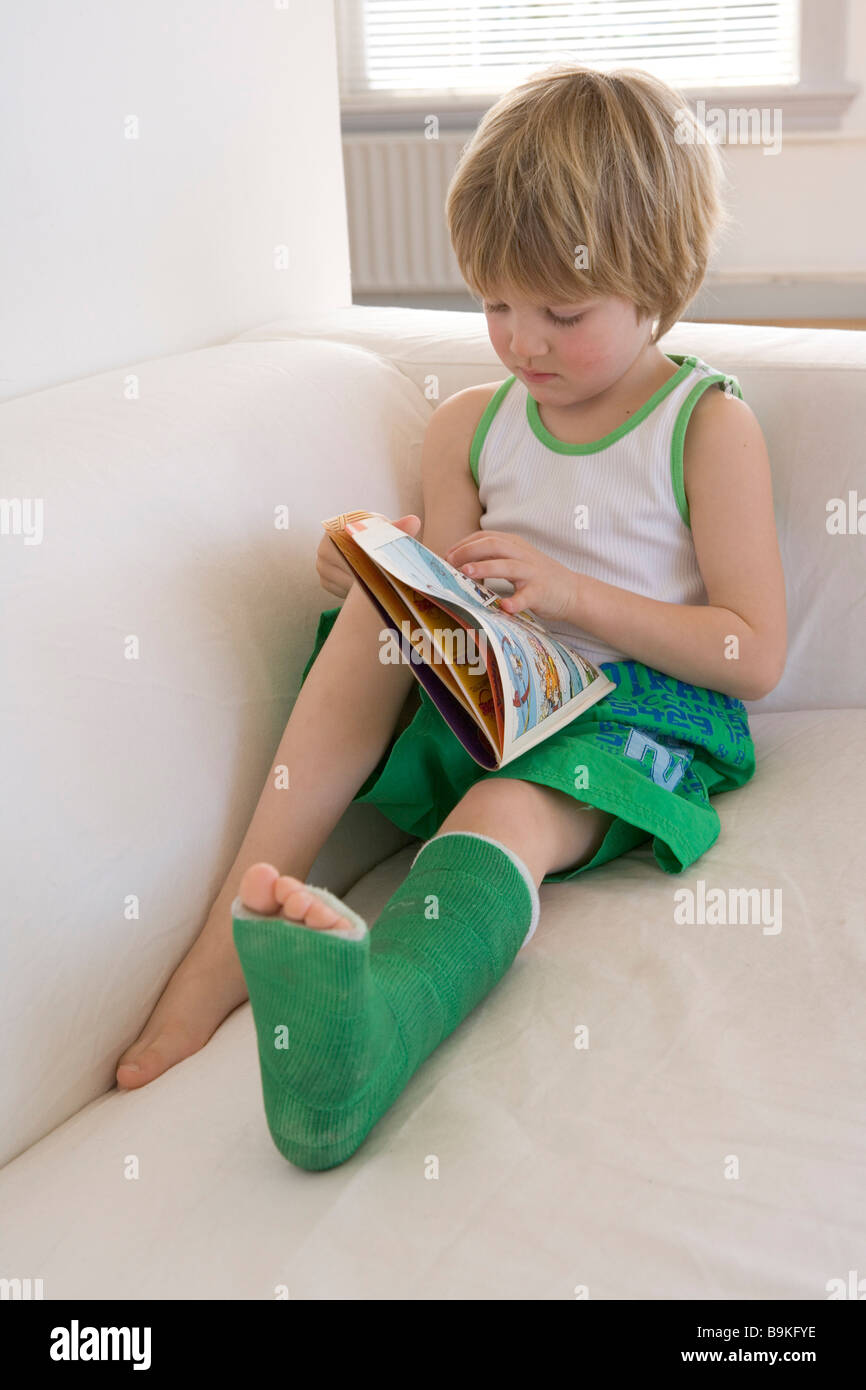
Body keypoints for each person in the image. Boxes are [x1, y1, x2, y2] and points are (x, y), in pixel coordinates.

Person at [116, 63, 786, 1171]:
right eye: (493, 305)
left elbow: (749, 652)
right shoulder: (470, 424)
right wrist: (372, 568)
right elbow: (447, 589)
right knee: (378, 626)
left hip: (629, 716)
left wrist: (571, 595)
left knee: (505, 812)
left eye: (559, 312)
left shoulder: (702, 426)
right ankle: (215, 955)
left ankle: (377, 1023)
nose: (520, 341)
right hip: (493, 694)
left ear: (656, 279)